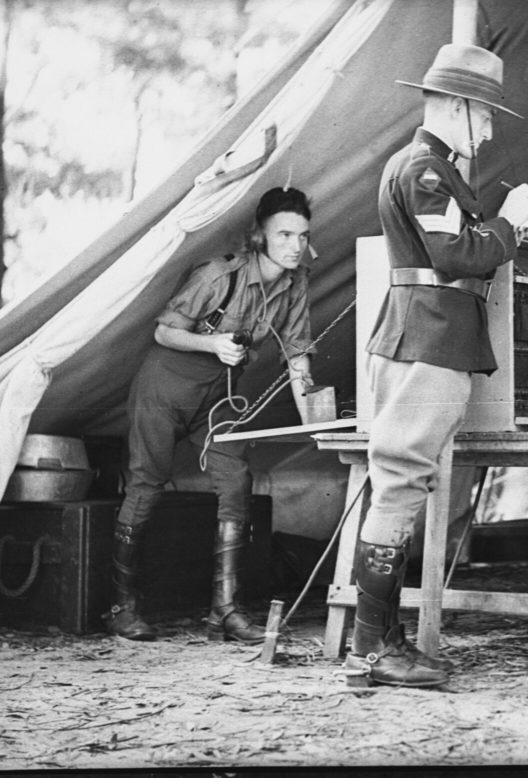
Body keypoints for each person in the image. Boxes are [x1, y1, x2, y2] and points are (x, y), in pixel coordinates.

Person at [342, 43, 528, 688]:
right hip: (427, 342)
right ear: (457, 105)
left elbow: (453, 240)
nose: (488, 129)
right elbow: (453, 253)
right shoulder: (426, 168)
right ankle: (373, 652)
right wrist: (510, 226)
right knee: (399, 485)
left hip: (429, 340)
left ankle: (380, 644)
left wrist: (501, 212)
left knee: (401, 485)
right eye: (484, 116)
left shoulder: (432, 166)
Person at [105, 186, 319, 644]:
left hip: (218, 398)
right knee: (147, 482)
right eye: (284, 234)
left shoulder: (295, 283)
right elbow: (164, 332)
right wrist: (212, 343)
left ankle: (224, 610)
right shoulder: (218, 275)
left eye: (302, 236)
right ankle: (122, 607)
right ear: (260, 236)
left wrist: (316, 422)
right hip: (164, 386)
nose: (295, 246)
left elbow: (298, 357)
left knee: (235, 477)